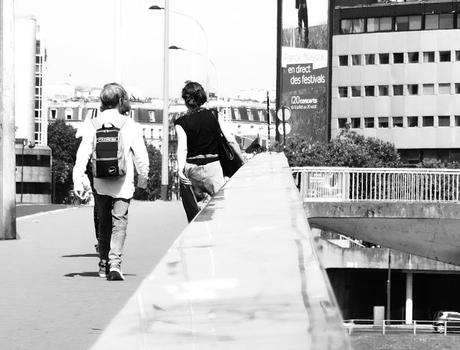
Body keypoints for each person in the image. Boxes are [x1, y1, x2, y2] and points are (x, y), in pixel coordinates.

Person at [73, 83, 149, 281]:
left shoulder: (93, 123)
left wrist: (78, 180)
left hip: (100, 182)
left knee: (104, 222)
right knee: (119, 222)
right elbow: (141, 156)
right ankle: (115, 263)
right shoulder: (130, 125)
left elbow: (82, 155)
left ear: (102, 101)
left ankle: (103, 263)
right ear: (121, 101)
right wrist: (144, 177)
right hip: (123, 182)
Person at [174, 81, 242, 221]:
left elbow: (183, 148)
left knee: (196, 214)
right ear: (202, 96)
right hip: (213, 166)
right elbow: (231, 140)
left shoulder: (181, 122)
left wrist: (180, 170)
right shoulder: (214, 115)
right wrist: (241, 160)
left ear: (186, 100)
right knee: (221, 207)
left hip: (192, 169)